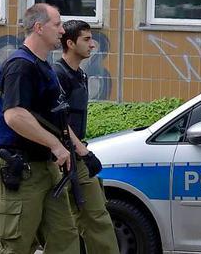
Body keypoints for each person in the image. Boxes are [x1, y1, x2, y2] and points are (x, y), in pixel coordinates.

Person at [0, 3, 90, 254]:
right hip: (20, 167)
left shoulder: (43, 64)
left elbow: (53, 116)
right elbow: (15, 116)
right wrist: (55, 145)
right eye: (56, 24)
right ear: (38, 27)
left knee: (65, 239)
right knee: (17, 245)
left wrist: (75, 147)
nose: (61, 30)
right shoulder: (21, 66)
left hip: (45, 167)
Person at [52, 20, 119, 253]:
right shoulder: (57, 75)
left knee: (97, 217)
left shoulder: (79, 74)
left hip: (76, 156)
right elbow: (58, 120)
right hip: (59, 159)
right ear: (70, 43)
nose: (93, 45)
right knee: (60, 227)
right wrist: (83, 151)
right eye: (86, 39)